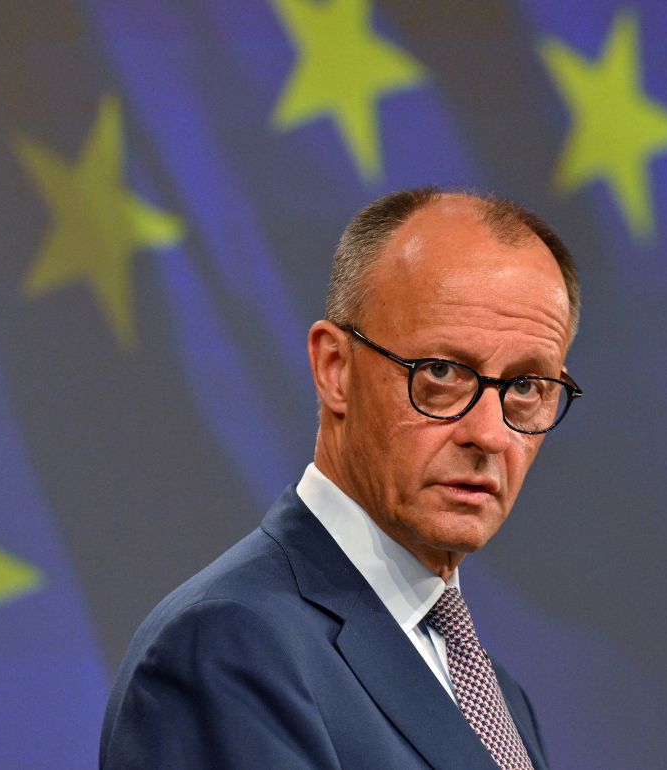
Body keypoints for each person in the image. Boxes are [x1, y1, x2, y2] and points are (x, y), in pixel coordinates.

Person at [100, 187, 582, 769]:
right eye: (441, 372)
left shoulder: (499, 697)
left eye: (526, 386)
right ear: (335, 369)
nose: (490, 434)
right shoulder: (227, 645)